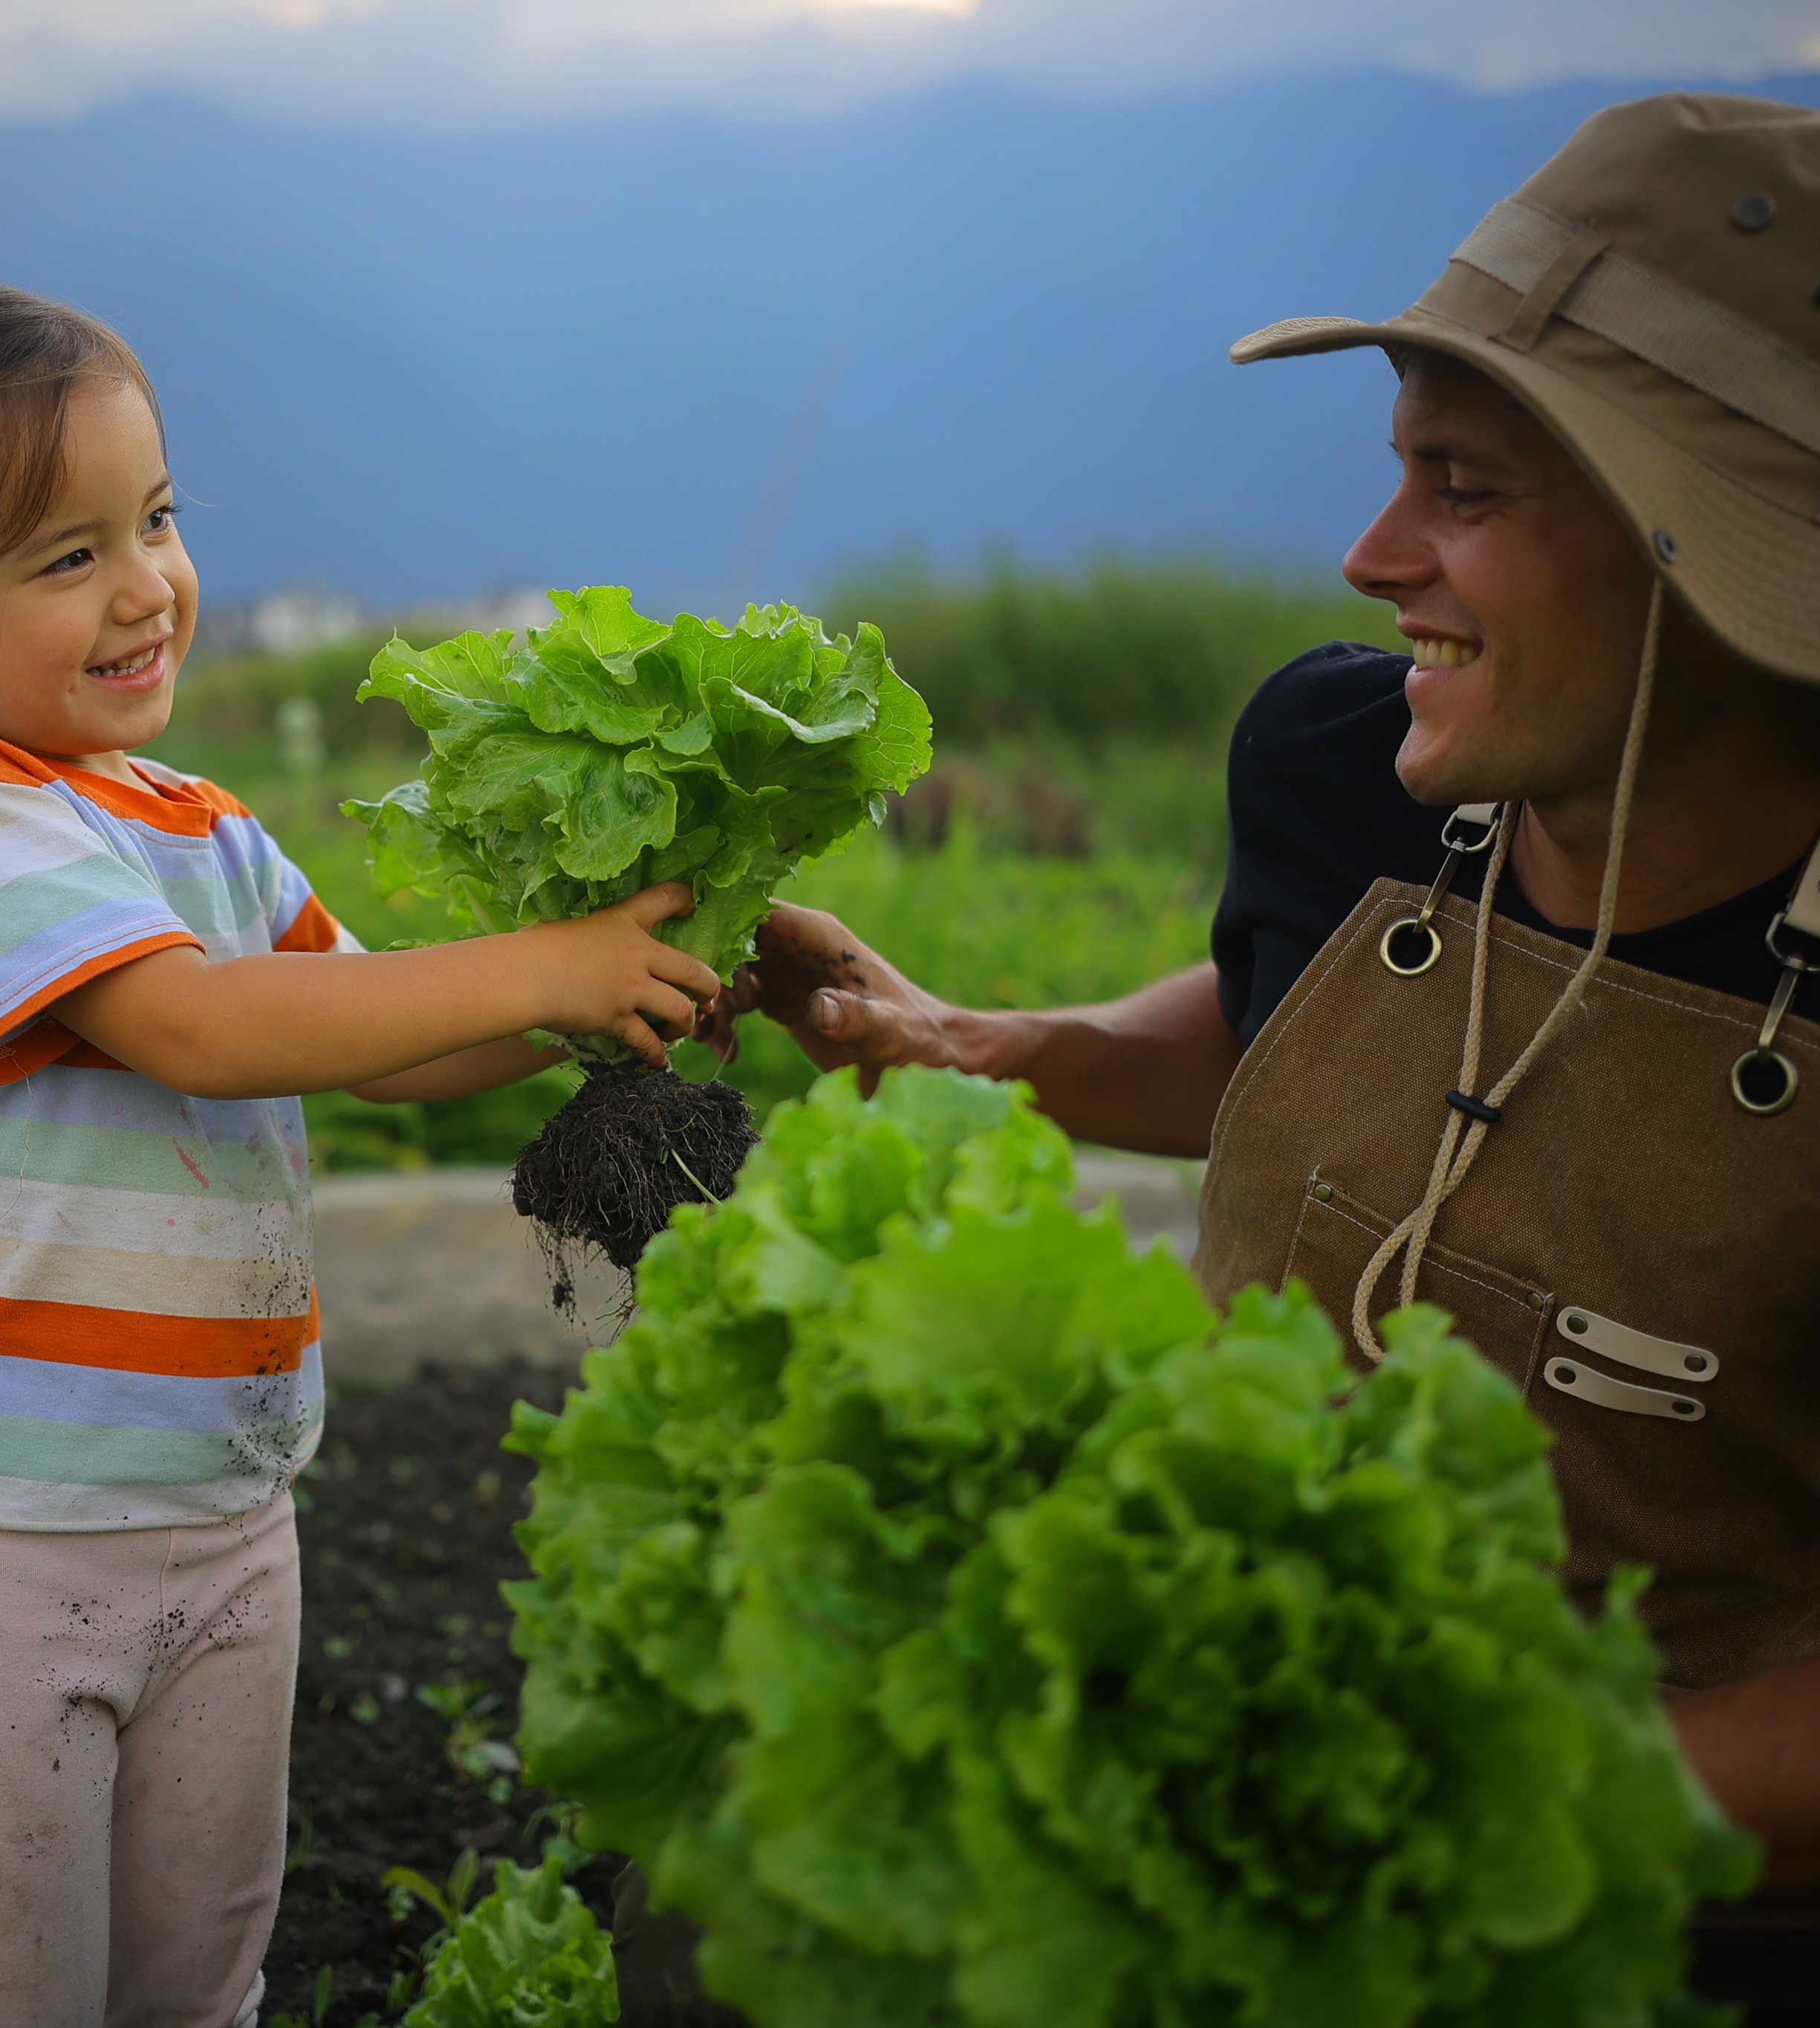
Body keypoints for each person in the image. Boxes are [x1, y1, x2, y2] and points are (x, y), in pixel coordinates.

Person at [701, 93, 1820, 2015]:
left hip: (1679, 1920)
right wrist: (984, 1045)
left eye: (1464, 493)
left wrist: (1438, 1809)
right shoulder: (1345, 775)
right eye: (1399, 473)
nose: (1371, 557)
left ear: (1714, 562)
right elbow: (1290, 1014)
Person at [0, 279, 718, 2028]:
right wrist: (544, 963)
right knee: (5, 1993)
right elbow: (197, 1030)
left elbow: (391, 1036)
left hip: (230, 1512)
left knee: (198, 1982)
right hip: (5, 1533)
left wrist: (619, 990)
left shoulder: (201, 824)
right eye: (64, 558)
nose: (144, 586)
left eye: (154, 521)